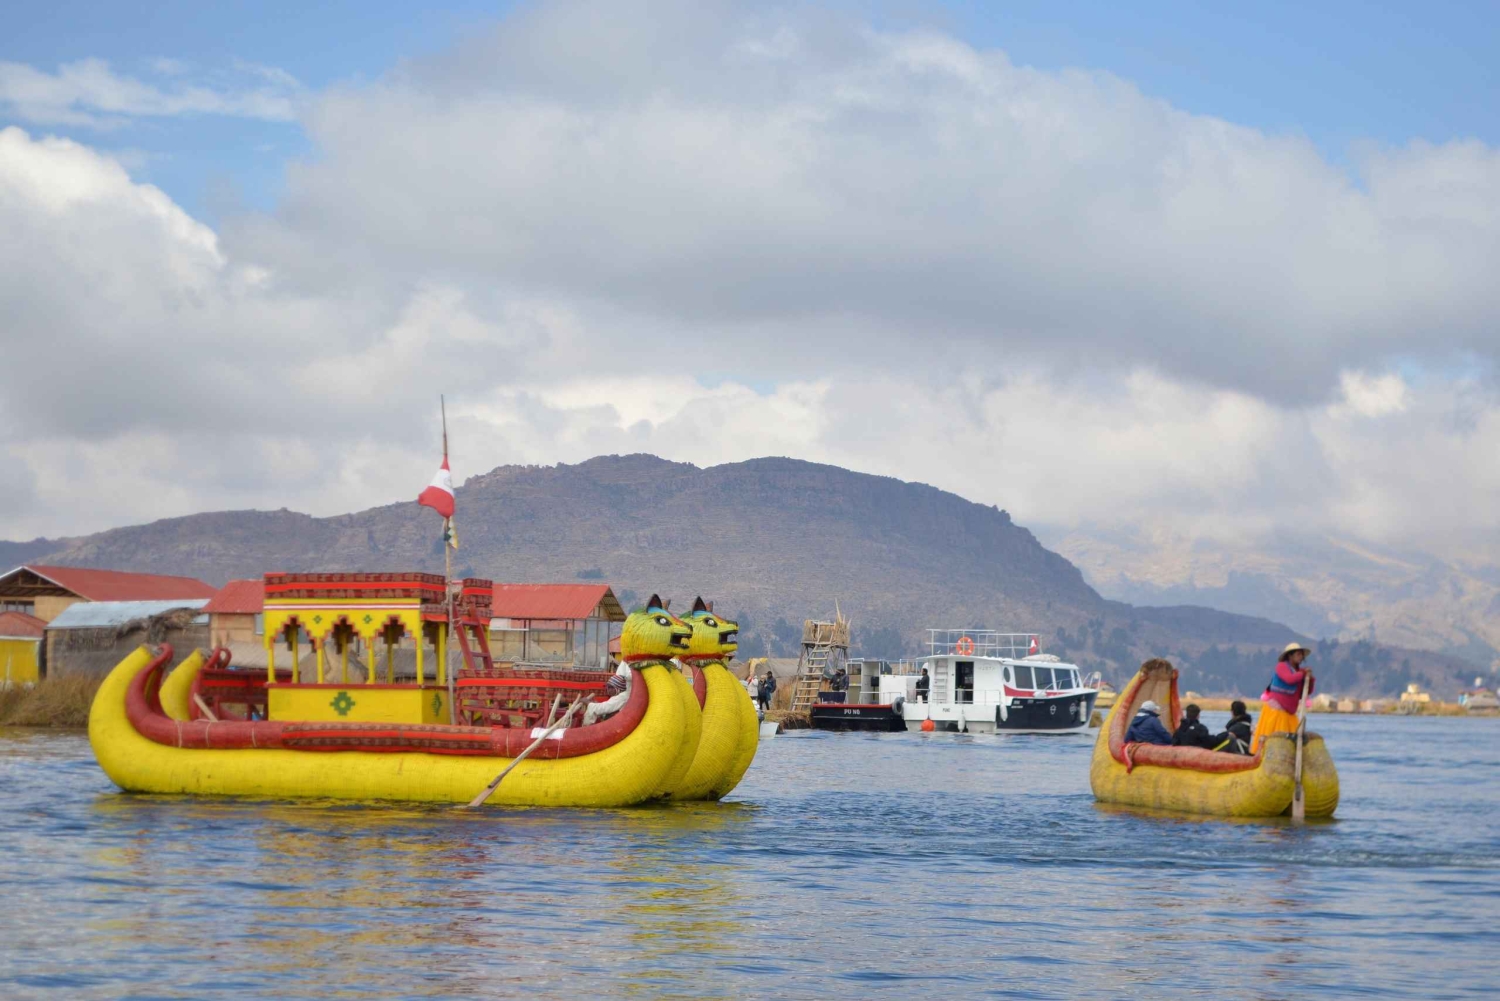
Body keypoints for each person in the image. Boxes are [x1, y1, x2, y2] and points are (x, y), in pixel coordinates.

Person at [1252, 642, 1315, 754]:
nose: (1300, 657)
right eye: (1298, 654)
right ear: (1290, 655)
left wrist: (1309, 679)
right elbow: (1289, 679)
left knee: (1290, 744)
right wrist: (1303, 673)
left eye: (1301, 654)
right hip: (1276, 711)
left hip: (1289, 713)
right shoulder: (1281, 666)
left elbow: (1305, 692)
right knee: (1274, 741)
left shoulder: (1299, 672)